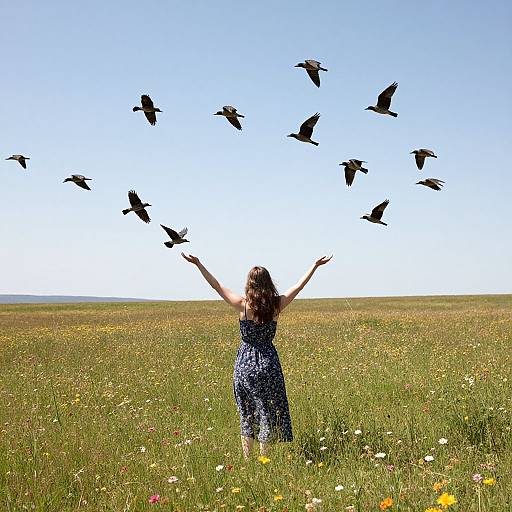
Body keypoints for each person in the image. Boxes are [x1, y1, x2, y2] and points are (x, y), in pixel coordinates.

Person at [181, 252, 333, 459]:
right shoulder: (276, 305)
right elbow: (298, 286)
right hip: (268, 362)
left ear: (249, 284)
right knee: (267, 412)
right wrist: (314, 266)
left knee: (247, 412)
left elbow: (216, 286)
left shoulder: (242, 305)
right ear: (269, 283)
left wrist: (198, 264)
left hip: (245, 363)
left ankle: (247, 459)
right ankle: (264, 458)